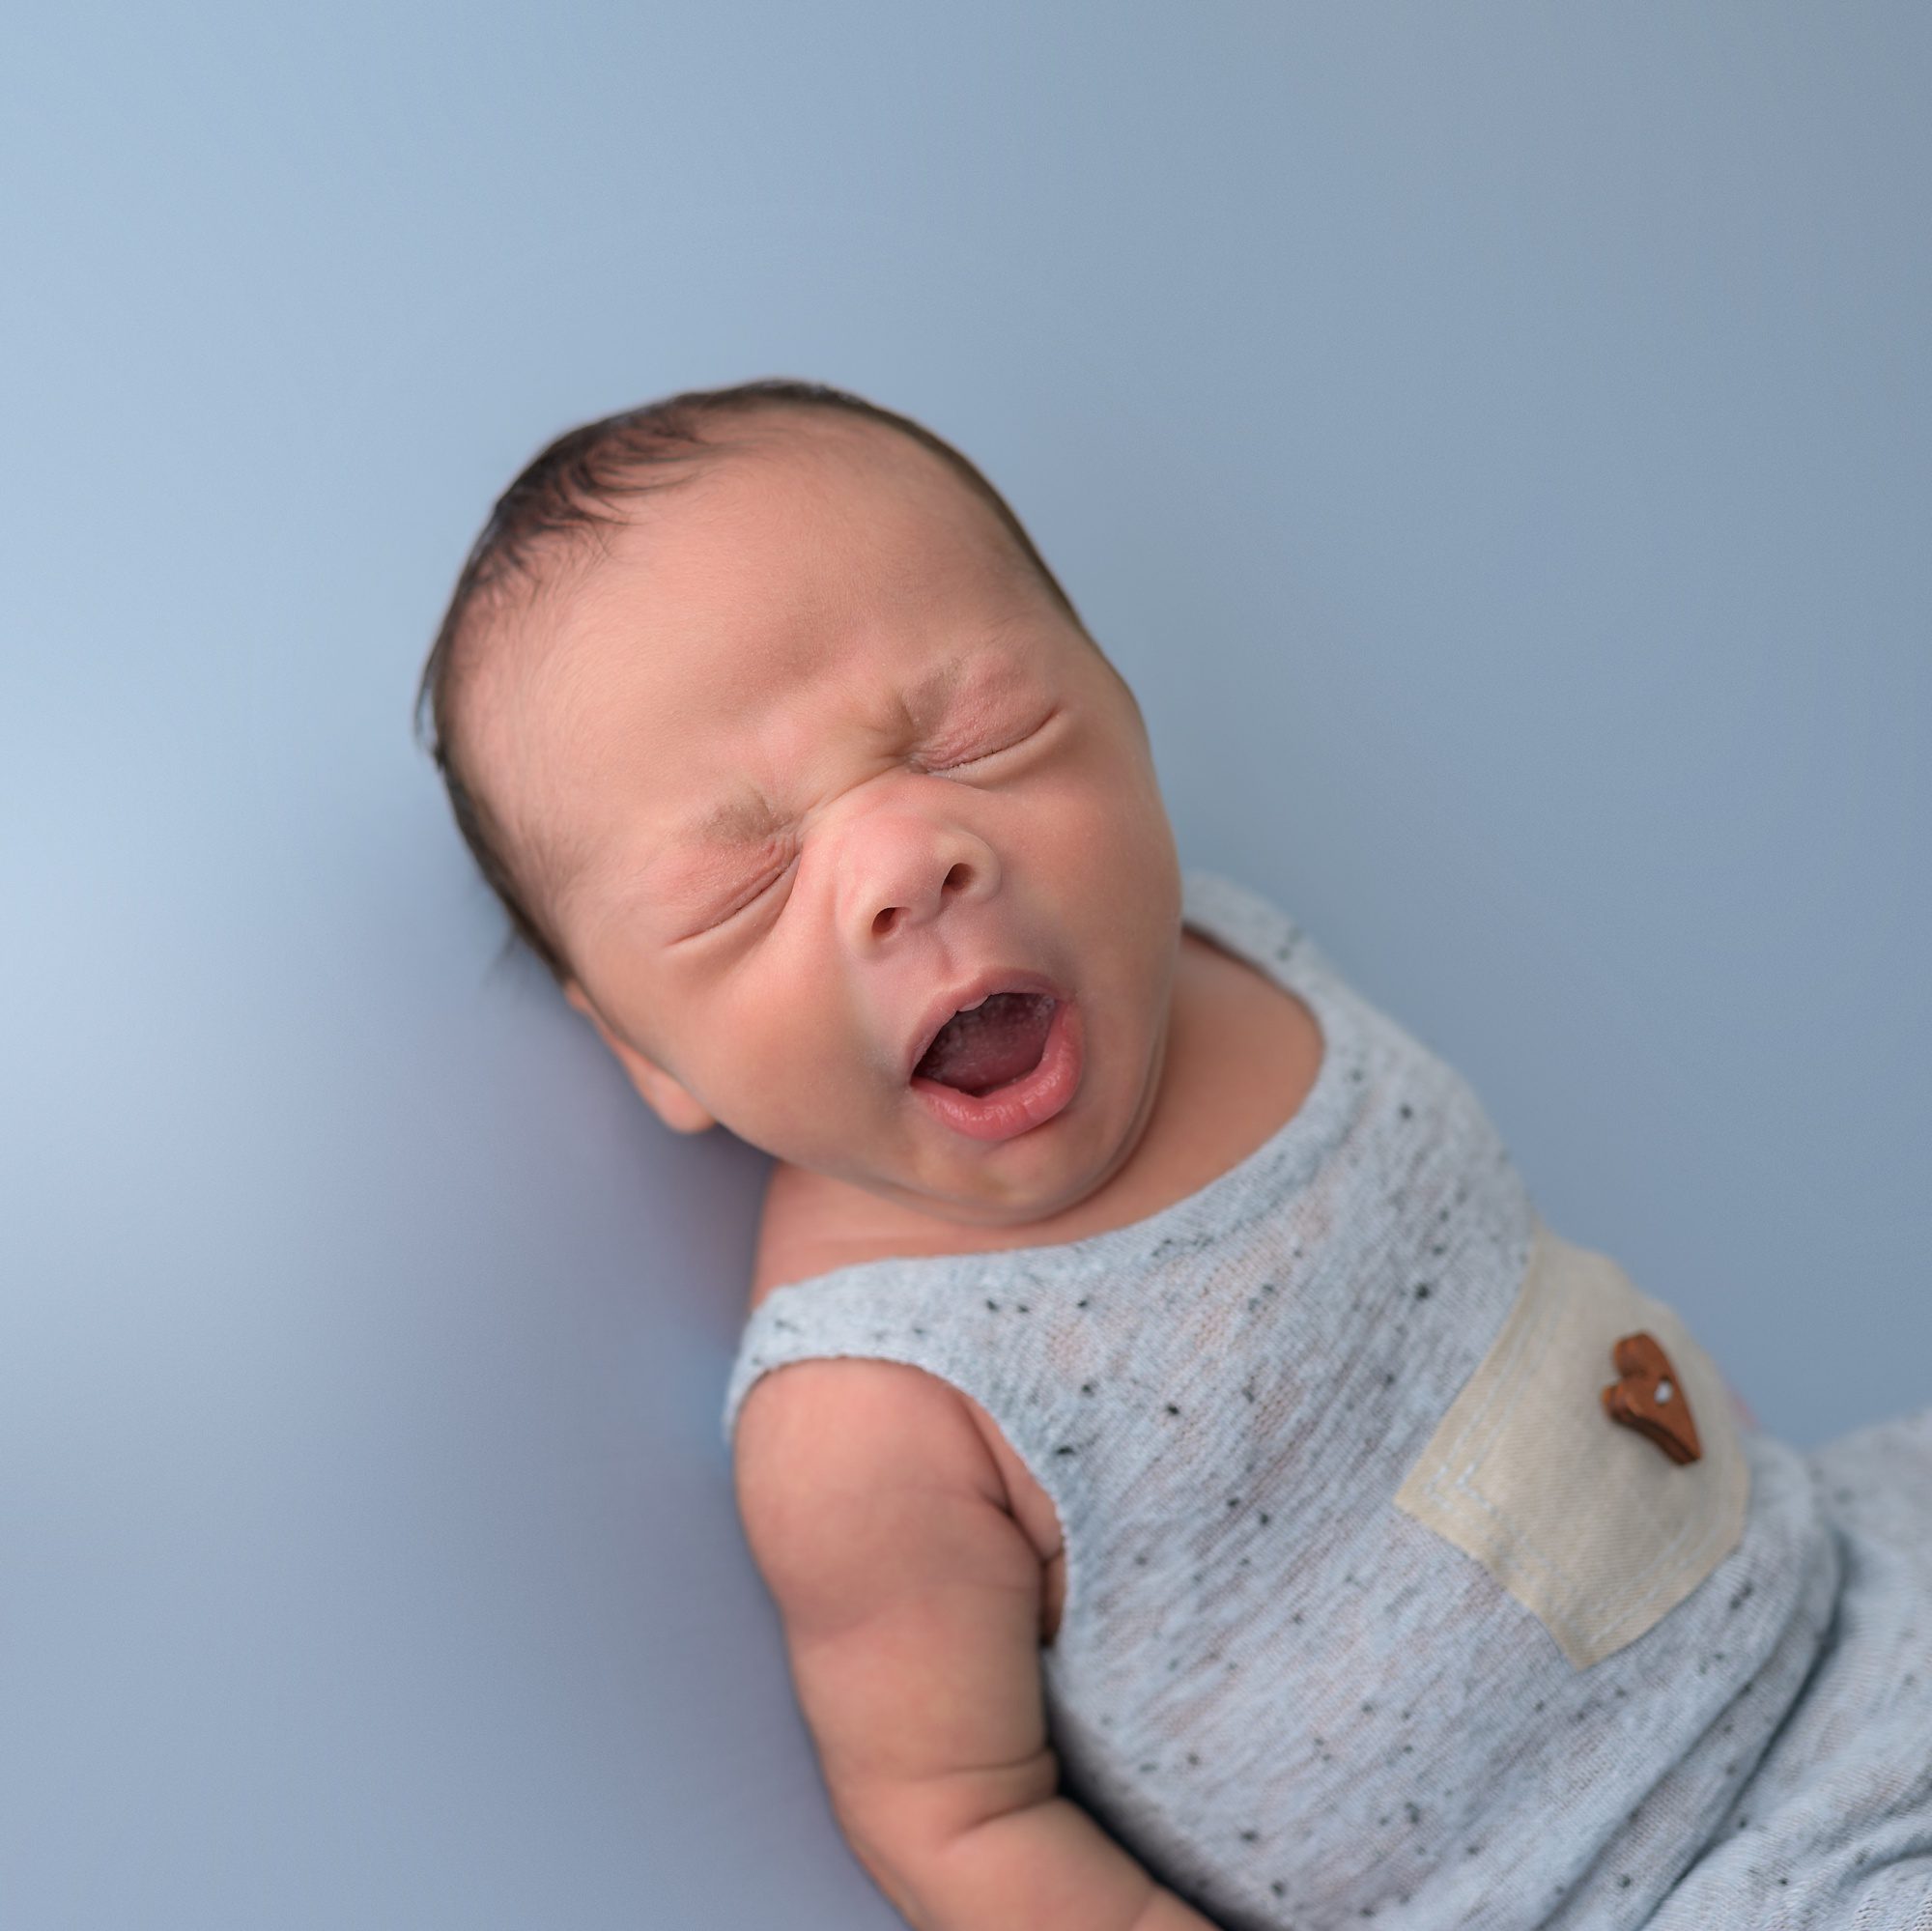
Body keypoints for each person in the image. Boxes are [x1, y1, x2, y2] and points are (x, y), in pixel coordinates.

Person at [413, 378, 1932, 1929]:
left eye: (976, 734)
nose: (905, 860)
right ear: (648, 1052)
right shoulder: (876, 1406)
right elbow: (959, 1818)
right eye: (745, 885)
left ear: (1123, 714)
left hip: (1847, 1595)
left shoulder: (1223, 954)